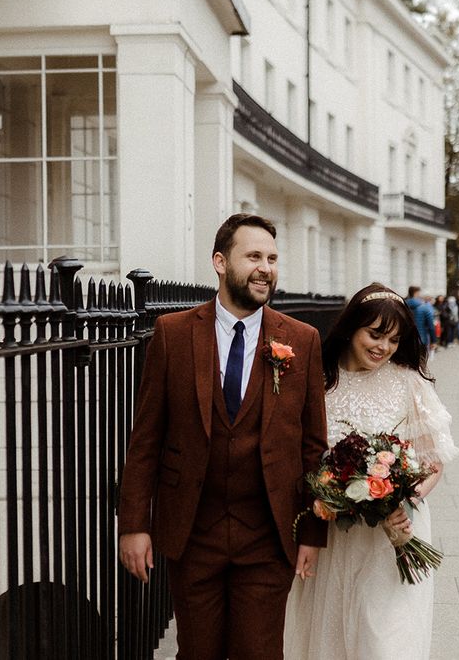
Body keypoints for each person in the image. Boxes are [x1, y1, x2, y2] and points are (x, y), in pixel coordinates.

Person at [118, 214, 329, 660]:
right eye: (253, 256)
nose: (266, 268)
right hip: (193, 530)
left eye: (272, 258)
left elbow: (314, 446)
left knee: (259, 652)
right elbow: (146, 439)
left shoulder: (302, 340)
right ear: (220, 261)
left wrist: (312, 532)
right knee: (196, 652)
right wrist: (134, 524)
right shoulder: (173, 334)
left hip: (268, 533)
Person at [284, 282, 459, 660]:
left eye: (394, 340)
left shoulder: (407, 382)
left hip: (391, 533)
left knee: (384, 640)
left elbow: (433, 463)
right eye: (375, 334)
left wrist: (403, 497)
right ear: (351, 328)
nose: (383, 347)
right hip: (335, 532)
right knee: (331, 639)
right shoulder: (320, 383)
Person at [405, 285, 436, 354]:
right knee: (420, 361)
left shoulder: (403, 306)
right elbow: (431, 326)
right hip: (421, 339)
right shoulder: (424, 307)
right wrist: (433, 341)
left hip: (405, 339)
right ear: (416, 293)